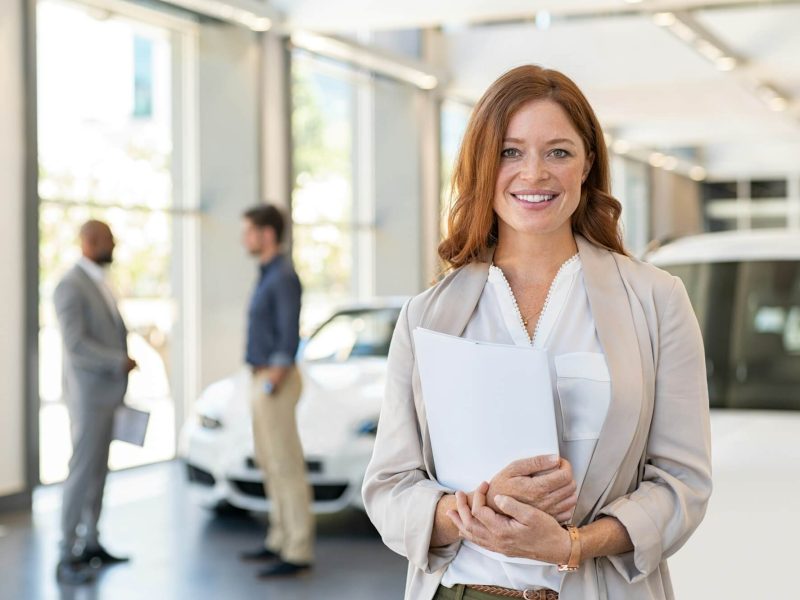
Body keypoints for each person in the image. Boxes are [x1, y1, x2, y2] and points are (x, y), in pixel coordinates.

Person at [363, 65, 712, 600]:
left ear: (587, 163)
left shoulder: (656, 301)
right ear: (483, 164)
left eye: (558, 152)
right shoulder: (425, 317)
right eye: (510, 152)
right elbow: (389, 488)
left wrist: (572, 544)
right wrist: (474, 512)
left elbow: (682, 485)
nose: (534, 173)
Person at [54, 220, 136, 585]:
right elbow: (76, 345)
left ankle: (91, 542)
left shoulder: (100, 282)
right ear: (89, 241)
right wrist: (116, 361)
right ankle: (66, 552)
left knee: (99, 472)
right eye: (108, 240)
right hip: (88, 396)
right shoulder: (70, 285)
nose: (113, 245)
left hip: (108, 394)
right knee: (82, 472)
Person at [238, 204, 314, 578]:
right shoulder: (268, 273)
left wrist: (272, 382)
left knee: (286, 464)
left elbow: (288, 335)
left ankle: (297, 549)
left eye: (249, 231)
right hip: (263, 377)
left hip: (275, 379)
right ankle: (279, 538)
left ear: (267, 234)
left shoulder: (282, 276)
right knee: (270, 462)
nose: (244, 239)